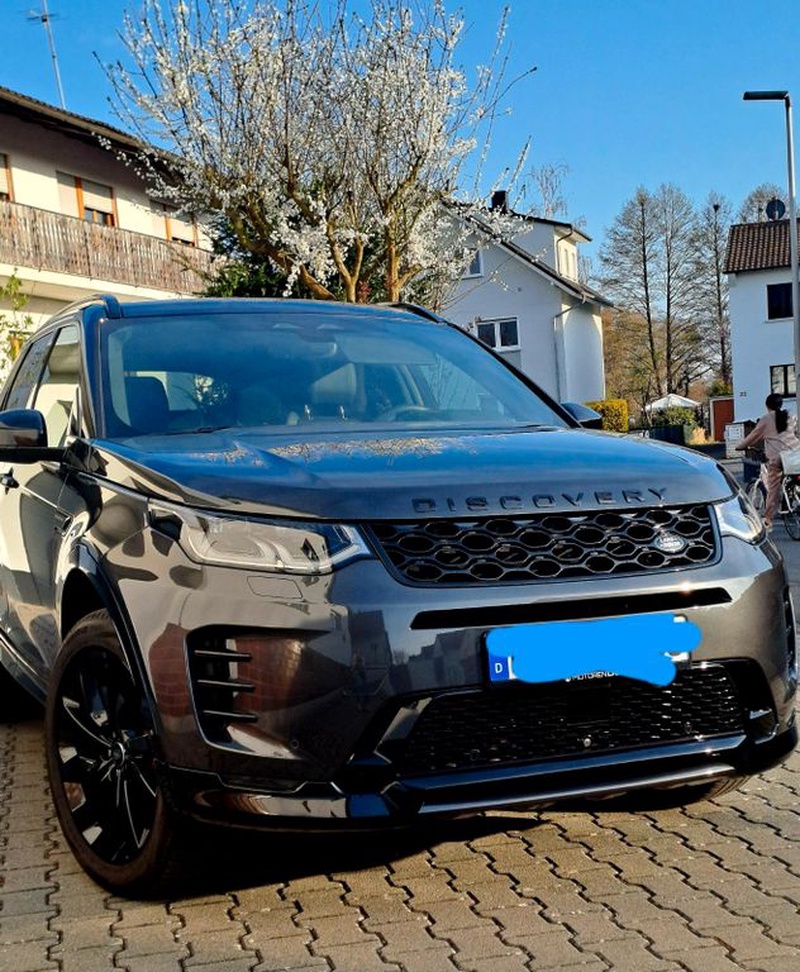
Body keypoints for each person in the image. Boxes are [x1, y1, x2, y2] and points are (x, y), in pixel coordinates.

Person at [736, 393, 800, 527]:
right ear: (781, 404)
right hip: (796, 454)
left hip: (779, 458)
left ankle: (768, 520)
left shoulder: (766, 419)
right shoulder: (791, 416)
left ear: (767, 406)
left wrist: (740, 446)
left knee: (773, 488)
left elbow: (753, 436)